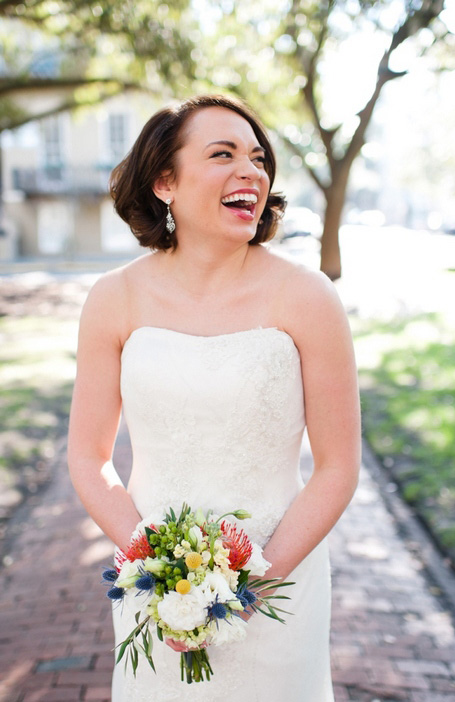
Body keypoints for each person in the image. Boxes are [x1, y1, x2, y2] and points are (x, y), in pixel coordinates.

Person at [68, 94, 361, 702]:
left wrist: (249, 589)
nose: (251, 172)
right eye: (223, 154)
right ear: (165, 181)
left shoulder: (308, 298)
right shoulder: (113, 299)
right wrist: (155, 575)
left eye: (258, 158)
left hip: (281, 589)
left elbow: (338, 468)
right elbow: (89, 458)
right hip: (156, 603)